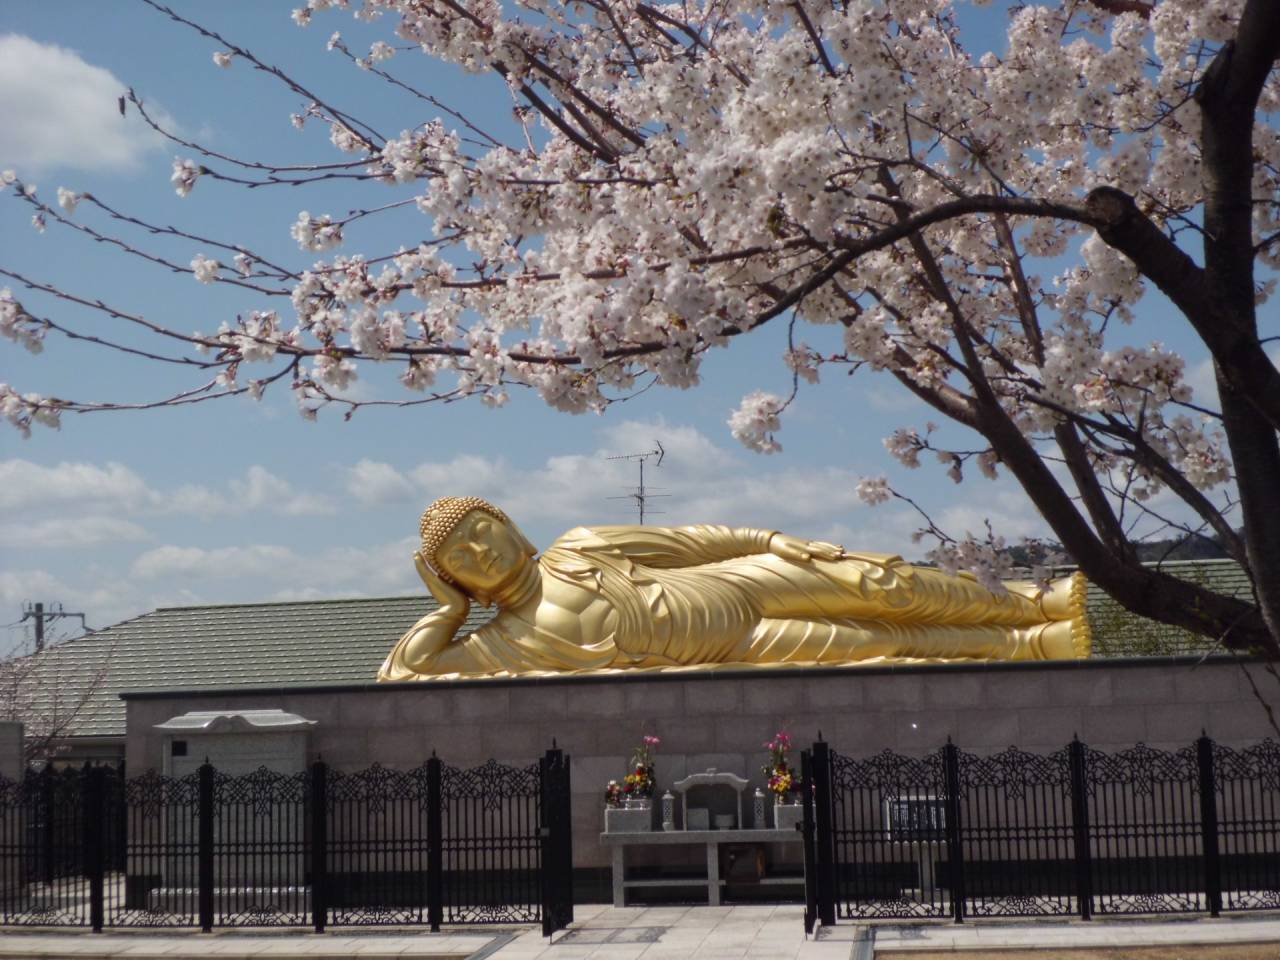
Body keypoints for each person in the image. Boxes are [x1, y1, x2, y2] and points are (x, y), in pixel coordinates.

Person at [378, 496, 1089, 680]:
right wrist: (447, 613)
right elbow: (405, 676)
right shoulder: (508, 644)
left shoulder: (578, 547)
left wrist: (769, 542)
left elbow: (691, 543)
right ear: (453, 580)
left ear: (509, 524)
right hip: (741, 645)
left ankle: (1032, 600)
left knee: (880, 583)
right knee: (886, 646)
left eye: (480, 528)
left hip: (737, 582)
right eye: (459, 557)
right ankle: (1030, 647)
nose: (478, 548)